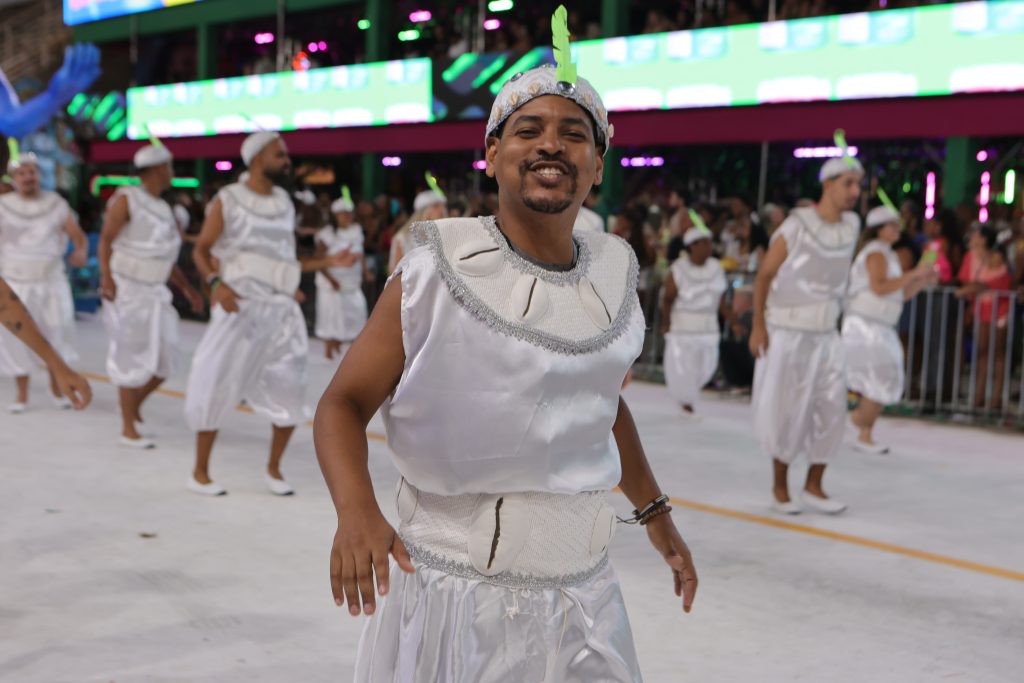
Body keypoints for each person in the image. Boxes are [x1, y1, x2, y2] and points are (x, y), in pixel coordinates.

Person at [313, 30, 697, 681]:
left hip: (585, 597)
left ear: (599, 164)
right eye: (528, 129)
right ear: (492, 152)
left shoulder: (614, 273)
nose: (551, 143)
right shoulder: (435, 268)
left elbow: (604, 406)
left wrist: (656, 515)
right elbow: (342, 402)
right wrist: (356, 509)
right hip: (456, 600)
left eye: (575, 133)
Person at [183, 131, 347, 496]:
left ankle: (274, 468)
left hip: (282, 311)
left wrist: (322, 265)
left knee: (290, 385)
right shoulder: (229, 200)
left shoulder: (284, 204)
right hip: (239, 306)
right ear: (258, 158)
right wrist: (214, 283)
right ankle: (199, 472)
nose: (287, 161)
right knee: (216, 381)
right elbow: (202, 249)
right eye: (281, 154)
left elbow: (285, 258)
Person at [749, 153, 863, 515]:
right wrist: (758, 326)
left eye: (858, 185)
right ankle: (780, 487)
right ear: (827, 185)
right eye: (848, 184)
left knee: (832, 407)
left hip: (827, 334)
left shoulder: (852, 226)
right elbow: (765, 275)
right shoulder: (797, 225)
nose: (855, 192)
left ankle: (815, 484)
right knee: (787, 409)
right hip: (789, 331)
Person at [98, 142, 204, 449]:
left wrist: (187, 289)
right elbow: (106, 240)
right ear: (158, 169)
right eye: (169, 168)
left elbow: (166, 258)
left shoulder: (164, 208)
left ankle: (132, 409)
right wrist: (106, 276)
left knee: (165, 361)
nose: (171, 173)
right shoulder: (126, 199)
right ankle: (128, 427)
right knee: (130, 355)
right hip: (128, 288)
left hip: (157, 292)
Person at [0, 147, 87, 413]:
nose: (28, 177)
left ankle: (57, 388)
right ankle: (22, 394)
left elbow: (76, 235)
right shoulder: (3, 206)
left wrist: (81, 250)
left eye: (32, 172)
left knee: (56, 330)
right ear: (13, 177)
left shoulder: (56, 203)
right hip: (16, 280)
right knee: (16, 338)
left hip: (51, 280)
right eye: (22, 173)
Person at [843, 206, 936, 454]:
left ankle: (860, 423)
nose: (898, 229)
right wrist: (914, 273)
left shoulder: (888, 254)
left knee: (887, 376)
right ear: (879, 229)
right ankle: (863, 431)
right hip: (866, 324)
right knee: (879, 377)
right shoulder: (875, 253)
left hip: (880, 324)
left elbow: (900, 294)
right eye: (893, 225)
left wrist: (920, 281)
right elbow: (879, 287)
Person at [660, 227, 729, 414]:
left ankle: (689, 395)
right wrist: (666, 323)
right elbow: (668, 299)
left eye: (709, 243)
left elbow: (721, 299)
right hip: (683, 328)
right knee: (683, 368)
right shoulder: (678, 269)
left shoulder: (716, 267)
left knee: (707, 366)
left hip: (709, 328)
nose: (709, 247)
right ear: (693, 246)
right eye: (705, 243)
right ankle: (686, 400)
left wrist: (733, 320)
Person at [0, 275, 90, 409]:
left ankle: (55, 390)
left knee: (55, 332)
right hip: (17, 277)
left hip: (48, 282)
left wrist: (59, 367)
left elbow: (4, 304)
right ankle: (21, 394)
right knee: (16, 350)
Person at [956, 224, 1012, 411]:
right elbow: (968, 281)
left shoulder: (996, 256)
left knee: (997, 352)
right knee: (982, 351)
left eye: (976, 234)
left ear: (985, 238)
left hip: (1000, 307)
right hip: (981, 307)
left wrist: (975, 288)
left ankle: (996, 398)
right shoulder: (969, 257)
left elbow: (994, 283)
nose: (971, 237)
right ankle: (978, 396)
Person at [315, 193, 367, 360]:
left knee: (355, 315)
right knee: (332, 320)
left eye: (349, 213)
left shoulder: (357, 231)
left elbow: (361, 255)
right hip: (332, 286)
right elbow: (319, 261)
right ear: (335, 216)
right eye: (343, 214)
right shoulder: (327, 234)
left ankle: (346, 352)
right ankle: (328, 354)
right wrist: (331, 279)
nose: (347, 217)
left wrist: (366, 271)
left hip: (351, 284)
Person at [387, 188, 446, 274]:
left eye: (443, 207)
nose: (442, 211)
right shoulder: (403, 238)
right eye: (436, 206)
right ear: (425, 210)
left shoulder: (445, 236)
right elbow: (395, 273)